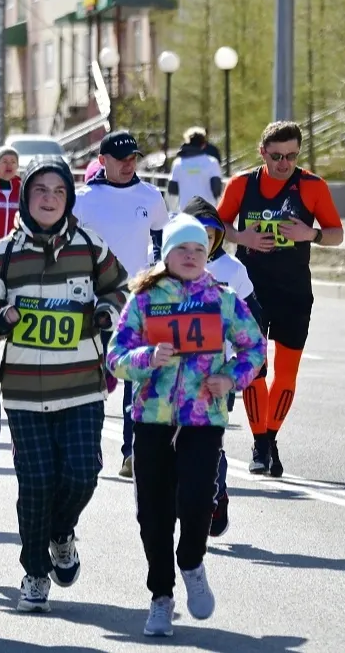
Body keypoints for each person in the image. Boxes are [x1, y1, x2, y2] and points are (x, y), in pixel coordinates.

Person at [0, 157, 128, 613]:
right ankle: (35, 573)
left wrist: (106, 313)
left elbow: (119, 288)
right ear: (25, 197)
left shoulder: (90, 247)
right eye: (40, 191)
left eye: (58, 190)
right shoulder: (2, 255)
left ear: (69, 198)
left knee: (82, 475)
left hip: (81, 387)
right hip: (25, 393)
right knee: (35, 484)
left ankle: (61, 534)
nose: (49, 198)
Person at [106, 214, 266, 638]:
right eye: (182, 249)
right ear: (167, 254)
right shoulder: (144, 298)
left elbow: (255, 347)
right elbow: (115, 356)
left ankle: (192, 563)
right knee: (153, 515)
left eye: (199, 249)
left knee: (197, 502)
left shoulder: (223, 298)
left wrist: (231, 378)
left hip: (203, 418)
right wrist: (145, 358)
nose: (192, 256)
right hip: (152, 419)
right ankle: (161, 598)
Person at [217, 120, 342, 476]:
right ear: (262, 152)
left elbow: (337, 234)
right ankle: (260, 445)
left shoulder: (312, 186)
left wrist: (312, 233)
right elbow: (216, 224)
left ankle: (271, 438)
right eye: (276, 156)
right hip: (251, 290)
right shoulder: (242, 184)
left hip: (294, 291)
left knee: (286, 374)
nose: (284, 163)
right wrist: (243, 238)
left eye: (291, 156)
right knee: (255, 367)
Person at [71, 130, 169, 479]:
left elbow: (162, 243)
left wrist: (157, 281)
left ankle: (132, 453)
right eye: (121, 159)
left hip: (137, 303)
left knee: (137, 380)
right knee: (93, 382)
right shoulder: (83, 199)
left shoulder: (151, 196)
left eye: (133, 159)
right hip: (91, 302)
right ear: (103, 161)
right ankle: (87, 448)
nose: (128, 165)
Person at [182, 196, 262, 537]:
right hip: (173, 373)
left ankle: (215, 492)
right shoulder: (164, 268)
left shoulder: (233, 271)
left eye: (212, 233)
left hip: (216, 374)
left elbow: (255, 320)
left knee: (207, 442)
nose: (205, 240)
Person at [169, 127, 224, 210]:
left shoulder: (178, 163)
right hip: (207, 211)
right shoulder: (212, 162)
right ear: (203, 144)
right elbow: (217, 190)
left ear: (187, 142)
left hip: (185, 211)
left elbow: (172, 190)